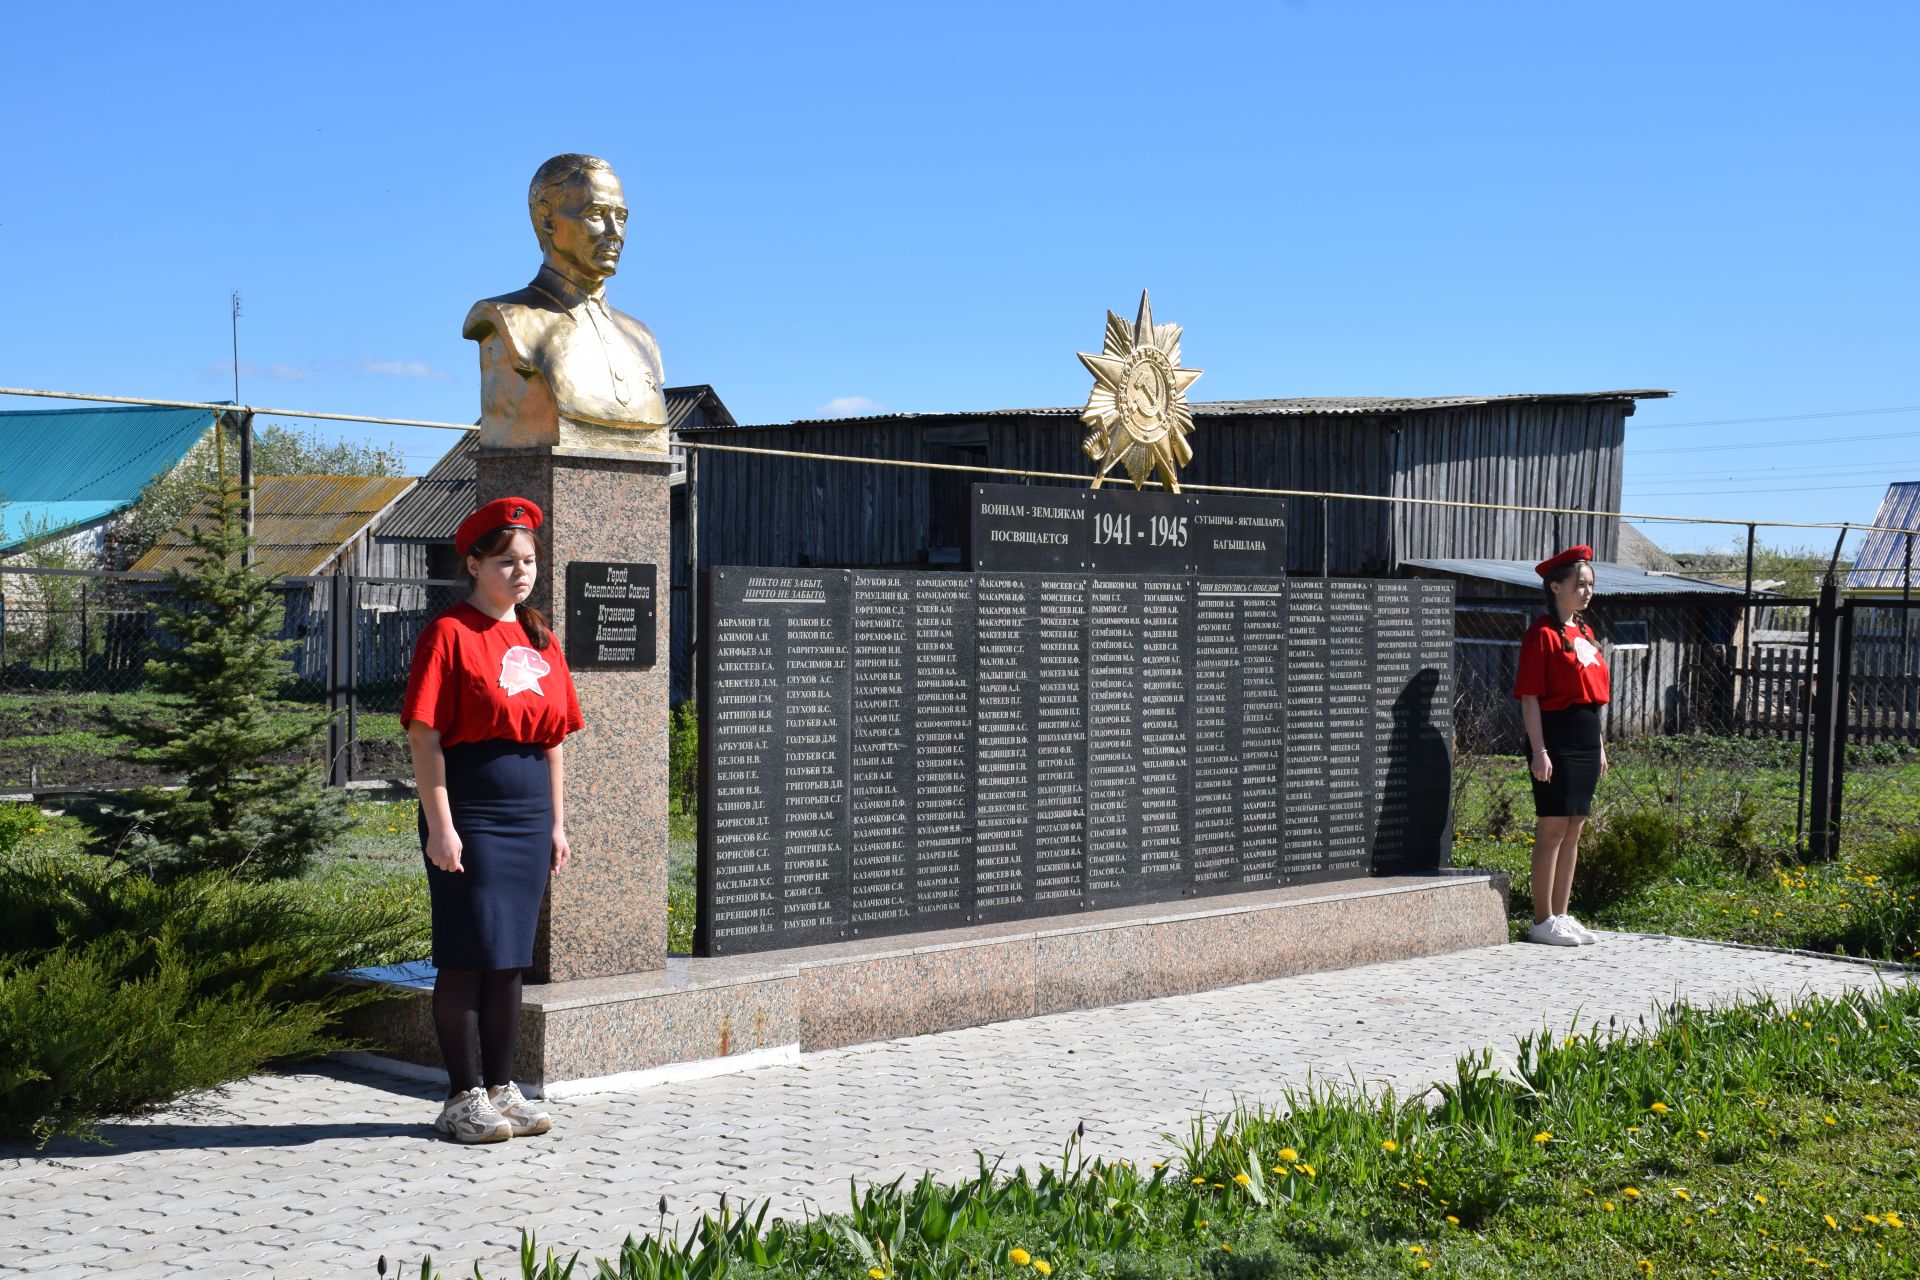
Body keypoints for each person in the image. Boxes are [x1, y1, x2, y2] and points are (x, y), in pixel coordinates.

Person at [401, 496, 583, 1142]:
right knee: (466, 955)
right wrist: (440, 826)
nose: (520, 572)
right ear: (473, 563)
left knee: (509, 959)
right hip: (470, 809)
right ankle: (460, 1098)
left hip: (529, 814)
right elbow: (425, 737)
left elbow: (555, 736)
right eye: (506, 561)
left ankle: (503, 1091)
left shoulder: (539, 636)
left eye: (529, 560)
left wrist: (557, 824)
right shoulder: (447, 635)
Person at [1512, 545, 1611, 947]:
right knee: (1552, 827)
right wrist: (1539, 750)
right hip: (1555, 736)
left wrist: (1600, 744)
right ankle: (1541, 920)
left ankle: (1562, 914)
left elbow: (1592, 694)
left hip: (1587, 737)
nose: (1587, 591)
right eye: (1579, 584)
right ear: (1555, 586)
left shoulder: (1584, 631)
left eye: (1590, 585)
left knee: (1575, 829)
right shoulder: (1542, 633)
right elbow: (1530, 697)